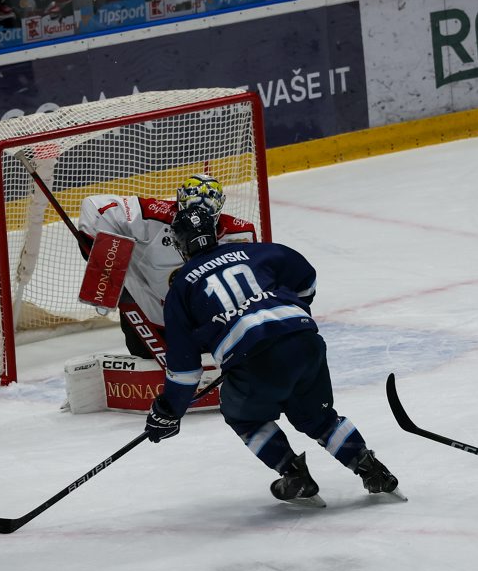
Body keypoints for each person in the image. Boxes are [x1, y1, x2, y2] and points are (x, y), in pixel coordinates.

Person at [142, 198, 402, 506]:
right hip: (303, 340)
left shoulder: (181, 288)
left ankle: (294, 475)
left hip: (255, 360)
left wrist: (169, 411)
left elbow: (185, 370)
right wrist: (288, 314)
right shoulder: (257, 251)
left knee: (242, 416)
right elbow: (306, 278)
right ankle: (373, 470)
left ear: (181, 245)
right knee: (319, 417)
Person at [76, 173, 253, 360]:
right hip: (150, 314)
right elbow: (94, 206)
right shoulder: (151, 215)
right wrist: (106, 268)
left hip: (202, 322)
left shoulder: (240, 235)